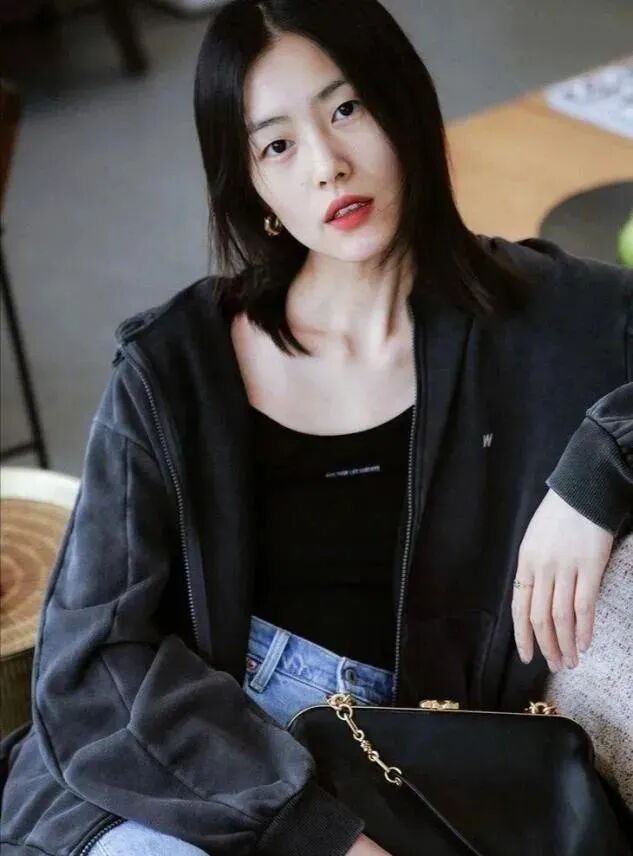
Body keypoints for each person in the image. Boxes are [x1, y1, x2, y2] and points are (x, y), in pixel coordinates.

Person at [1, 1, 632, 854]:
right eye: (276, 146)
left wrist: (598, 468)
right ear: (251, 186)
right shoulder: (173, 368)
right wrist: (320, 835)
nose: (327, 166)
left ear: (403, 107)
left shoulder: (551, 319)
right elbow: (92, 663)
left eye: (346, 109)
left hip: (409, 767)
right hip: (188, 762)